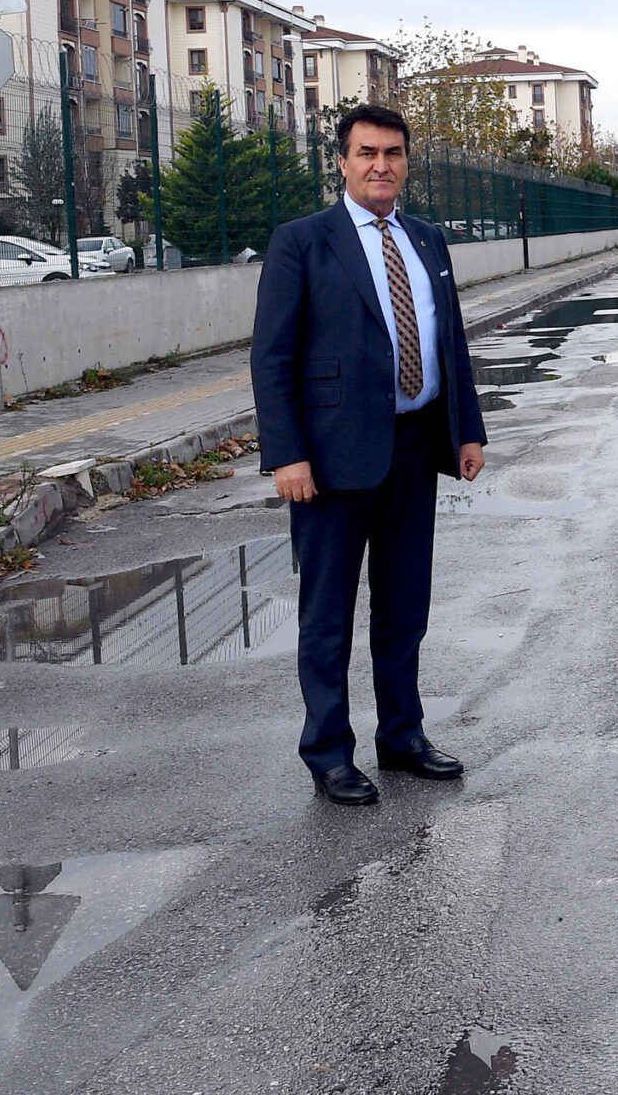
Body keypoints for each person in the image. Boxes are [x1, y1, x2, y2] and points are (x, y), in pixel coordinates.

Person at [251, 104, 487, 806]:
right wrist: (286, 455)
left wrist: (466, 430)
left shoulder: (427, 239)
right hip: (330, 460)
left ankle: (402, 735)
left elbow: (450, 341)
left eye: (393, 153)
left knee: (404, 606)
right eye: (367, 153)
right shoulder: (302, 241)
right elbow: (272, 357)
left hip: (413, 448)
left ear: (406, 161)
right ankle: (328, 752)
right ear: (343, 162)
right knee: (328, 614)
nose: (381, 165)